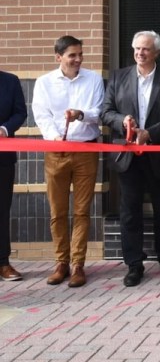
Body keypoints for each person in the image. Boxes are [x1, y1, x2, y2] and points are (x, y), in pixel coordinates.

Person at [101, 30, 160, 287]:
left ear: (156, 52)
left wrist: (150, 133)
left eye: (146, 49)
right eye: (137, 48)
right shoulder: (118, 77)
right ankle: (134, 264)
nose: (140, 53)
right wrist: (121, 120)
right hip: (127, 156)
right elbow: (106, 112)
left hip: (157, 153)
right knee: (129, 212)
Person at [31, 36, 104, 288]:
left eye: (80, 55)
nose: (78, 60)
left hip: (86, 149)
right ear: (58, 57)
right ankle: (60, 262)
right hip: (56, 151)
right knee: (57, 211)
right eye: (72, 55)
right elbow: (41, 115)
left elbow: (98, 113)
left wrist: (80, 114)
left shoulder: (93, 79)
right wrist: (55, 139)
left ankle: (78, 265)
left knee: (82, 211)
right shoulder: (44, 82)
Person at [0, 70, 27, 282]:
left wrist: (4, 129)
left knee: (2, 210)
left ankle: (3, 263)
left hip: (3, 159)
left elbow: (20, 113)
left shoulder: (10, 81)